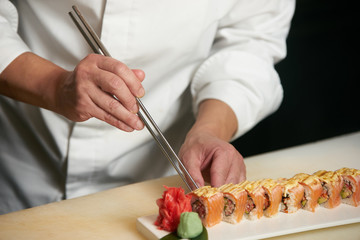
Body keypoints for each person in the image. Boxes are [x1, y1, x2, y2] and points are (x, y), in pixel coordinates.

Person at [0, 0, 295, 214]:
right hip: (21, 171)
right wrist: (54, 86)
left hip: (153, 181)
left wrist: (208, 130)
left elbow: (251, 41)